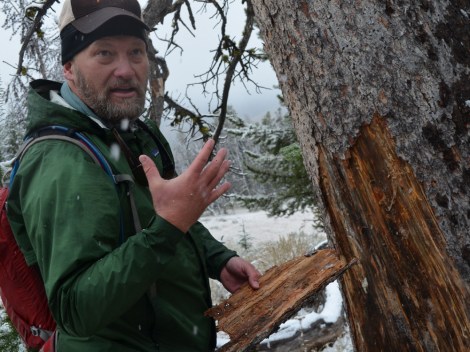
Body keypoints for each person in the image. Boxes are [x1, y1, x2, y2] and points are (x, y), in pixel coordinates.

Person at [6, 0, 261, 351]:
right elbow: (75, 310)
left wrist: (219, 259)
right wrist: (166, 230)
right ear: (68, 67)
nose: (126, 70)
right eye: (105, 54)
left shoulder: (128, 132)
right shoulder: (61, 163)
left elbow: (166, 213)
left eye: (136, 52)